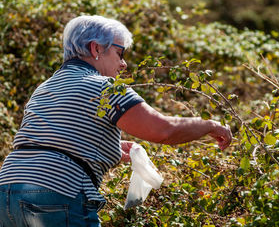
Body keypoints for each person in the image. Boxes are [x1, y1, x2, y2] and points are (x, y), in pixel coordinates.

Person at [0, 15, 232, 226]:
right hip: (58, 192)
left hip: (7, 191)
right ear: (96, 49)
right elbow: (164, 131)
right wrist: (209, 125)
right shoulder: (104, 86)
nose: (124, 64)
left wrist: (110, 147)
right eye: (120, 53)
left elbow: (52, 138)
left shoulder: (45, 87)